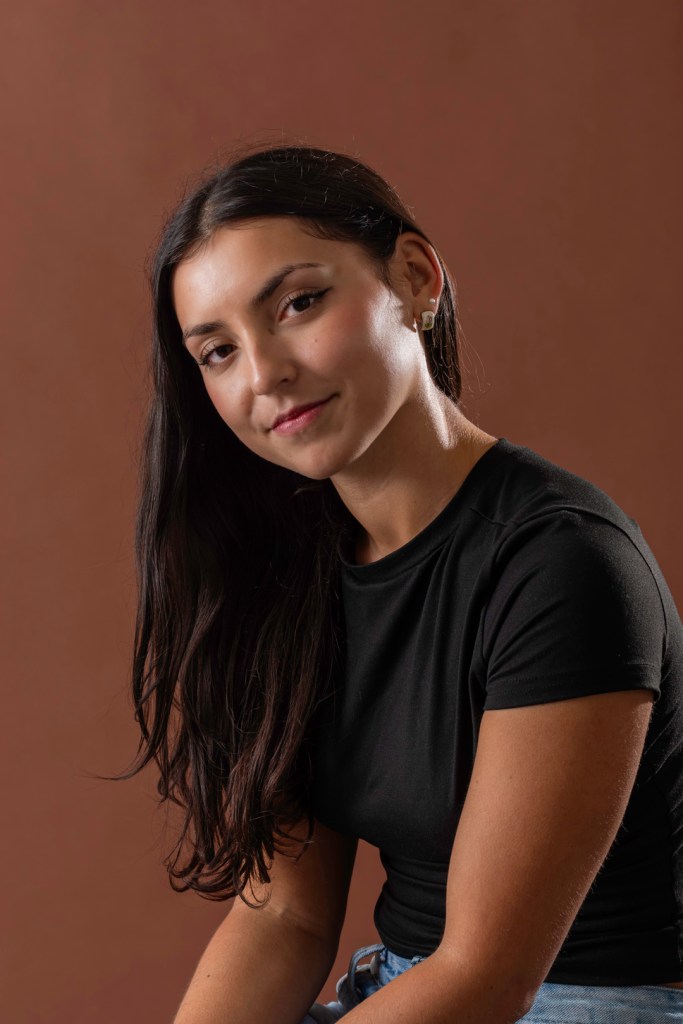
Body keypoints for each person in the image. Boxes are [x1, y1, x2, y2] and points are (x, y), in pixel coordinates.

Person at [122, 143, 683, 1024]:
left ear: (415, 277)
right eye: (218, 351)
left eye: (299, 304)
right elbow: (285, 917)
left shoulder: (563, 562)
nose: (265, 374)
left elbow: (485, 977)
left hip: (593, 1004)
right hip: (403, 989)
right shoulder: (291, 575)